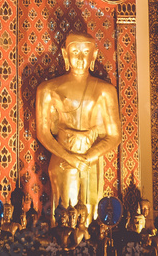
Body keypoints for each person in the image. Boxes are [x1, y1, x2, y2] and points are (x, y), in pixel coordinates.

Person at [35, 30, 122, 218]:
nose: (81, 58)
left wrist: (88, 156)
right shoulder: (49, 89)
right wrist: (70, 157)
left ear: (94, 55)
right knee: (65, 214)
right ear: (65, 54)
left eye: (85, 52)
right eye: (75, 52)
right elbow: (43, 133)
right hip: (64, 158)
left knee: (90, 217)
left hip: (92, 160)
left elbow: (115, 136)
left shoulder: (105, 91)